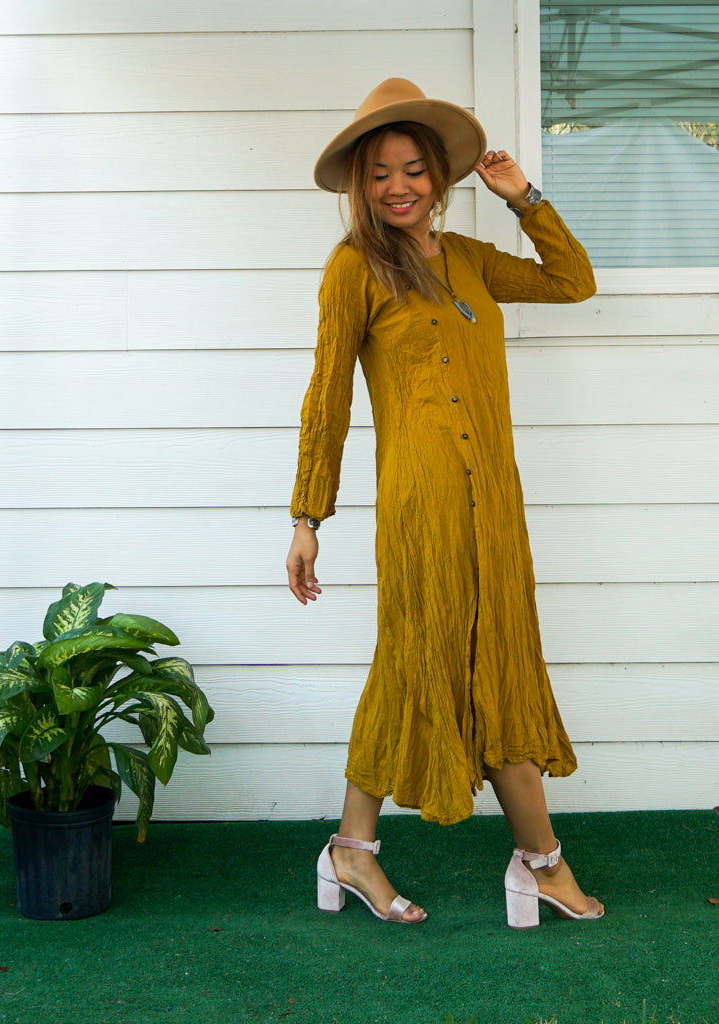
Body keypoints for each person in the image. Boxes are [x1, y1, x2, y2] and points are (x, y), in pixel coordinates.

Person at [286, 78, 604, 929]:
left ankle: (354, 848)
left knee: (473, 654)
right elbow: (326, 398)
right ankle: (540, 861)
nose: (399, 187)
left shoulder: (468, 259)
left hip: (493, 505)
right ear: (360, 182)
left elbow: (573, 282)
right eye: (381, 173)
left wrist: (525, 200)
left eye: (415, 170)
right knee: (428, 657)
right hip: (421, 508)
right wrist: (307, 519)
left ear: (440, 177)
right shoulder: (353, 268)